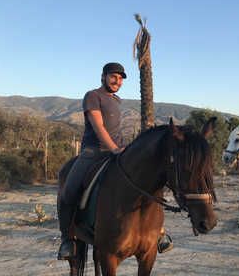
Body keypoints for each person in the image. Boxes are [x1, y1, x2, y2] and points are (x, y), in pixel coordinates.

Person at [57, 62, 173, 260]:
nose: (116, 81)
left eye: (120, 79)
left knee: (149, 180)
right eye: (113, 77)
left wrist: (124, 149)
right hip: (94, 150)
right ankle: (68, 239)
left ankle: (159, 233)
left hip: (118, 148)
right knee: (69, 190)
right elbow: (98, 125)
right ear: (103, 76)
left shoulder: (116, 100)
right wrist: (113, 149)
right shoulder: (92, 96)